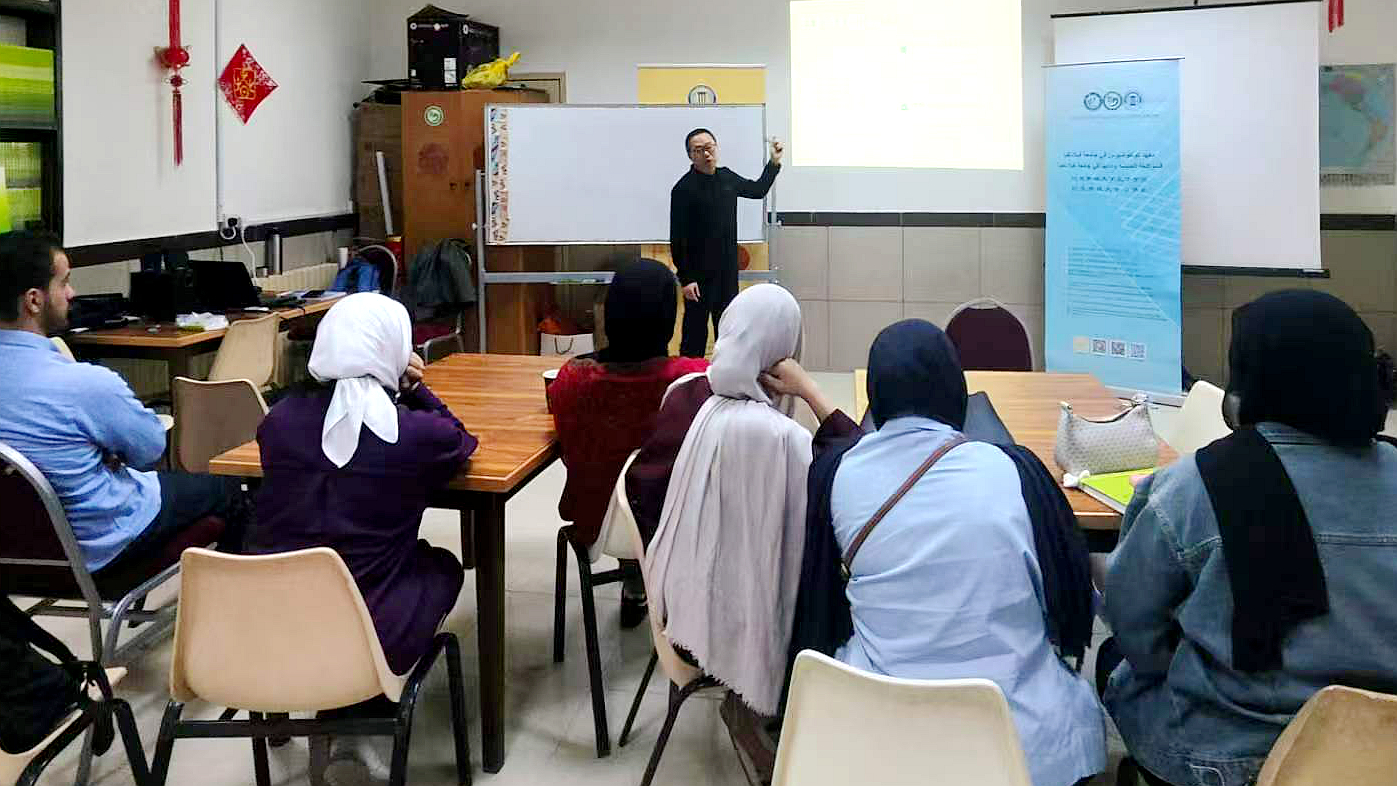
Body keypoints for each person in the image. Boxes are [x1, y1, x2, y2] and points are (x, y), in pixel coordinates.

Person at [783, 319, 1104, 786]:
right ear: (956, 389)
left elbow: (820, 608)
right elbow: (1072, 602)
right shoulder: (1017, 471)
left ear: (875, 396)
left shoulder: (837, 475)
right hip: (1017, 749)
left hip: (874, 741)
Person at [1102, 290, 1397, 786]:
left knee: (1116, 666)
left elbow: (1137, 631)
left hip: (1227, 762)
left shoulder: (1195, 484)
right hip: (1383, 758)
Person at [245, 292, 477, 784]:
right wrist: (415, 388)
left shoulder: (278, 424)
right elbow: (461, 439)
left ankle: (332, 715)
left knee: (343, 568)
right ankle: (358, 715)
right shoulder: (413, 435)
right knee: (440, 566)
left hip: (269, 626)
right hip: (372, 631)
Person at [626, 283, 855, 722]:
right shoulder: (785, 441)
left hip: (674, 605)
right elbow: (856, 476)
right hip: (737, 626)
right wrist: (811, 392)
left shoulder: (684, 396)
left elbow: (646, 490)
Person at [0, 231, 247, 577]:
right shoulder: (85, 385)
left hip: (13, 558)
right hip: (100, 548)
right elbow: (150, 450)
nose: (72, 293)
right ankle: (227, 602)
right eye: (64, 282)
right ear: (34, 301)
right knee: (231, 490)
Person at [546, 259, 708, 627]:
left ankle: (635, 585)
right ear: (668, 319)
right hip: (676, 525)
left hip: (598, 525)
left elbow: (573, 452)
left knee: (618, 476)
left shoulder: (572, 381)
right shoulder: (693, 381)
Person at [670, 128, 783, 358]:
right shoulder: (683, 189)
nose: (706, 153)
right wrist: (686, 278)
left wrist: (773, 163)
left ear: (716, 148)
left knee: (728, 331)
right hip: (698, 277)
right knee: (694, 334)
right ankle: (690, 376)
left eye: (709, 147)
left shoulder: (726, 178)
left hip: (726, 271)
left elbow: (757, 190)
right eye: (699, 150)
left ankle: (727, 375)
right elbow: (678, 237)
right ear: (691, 155)